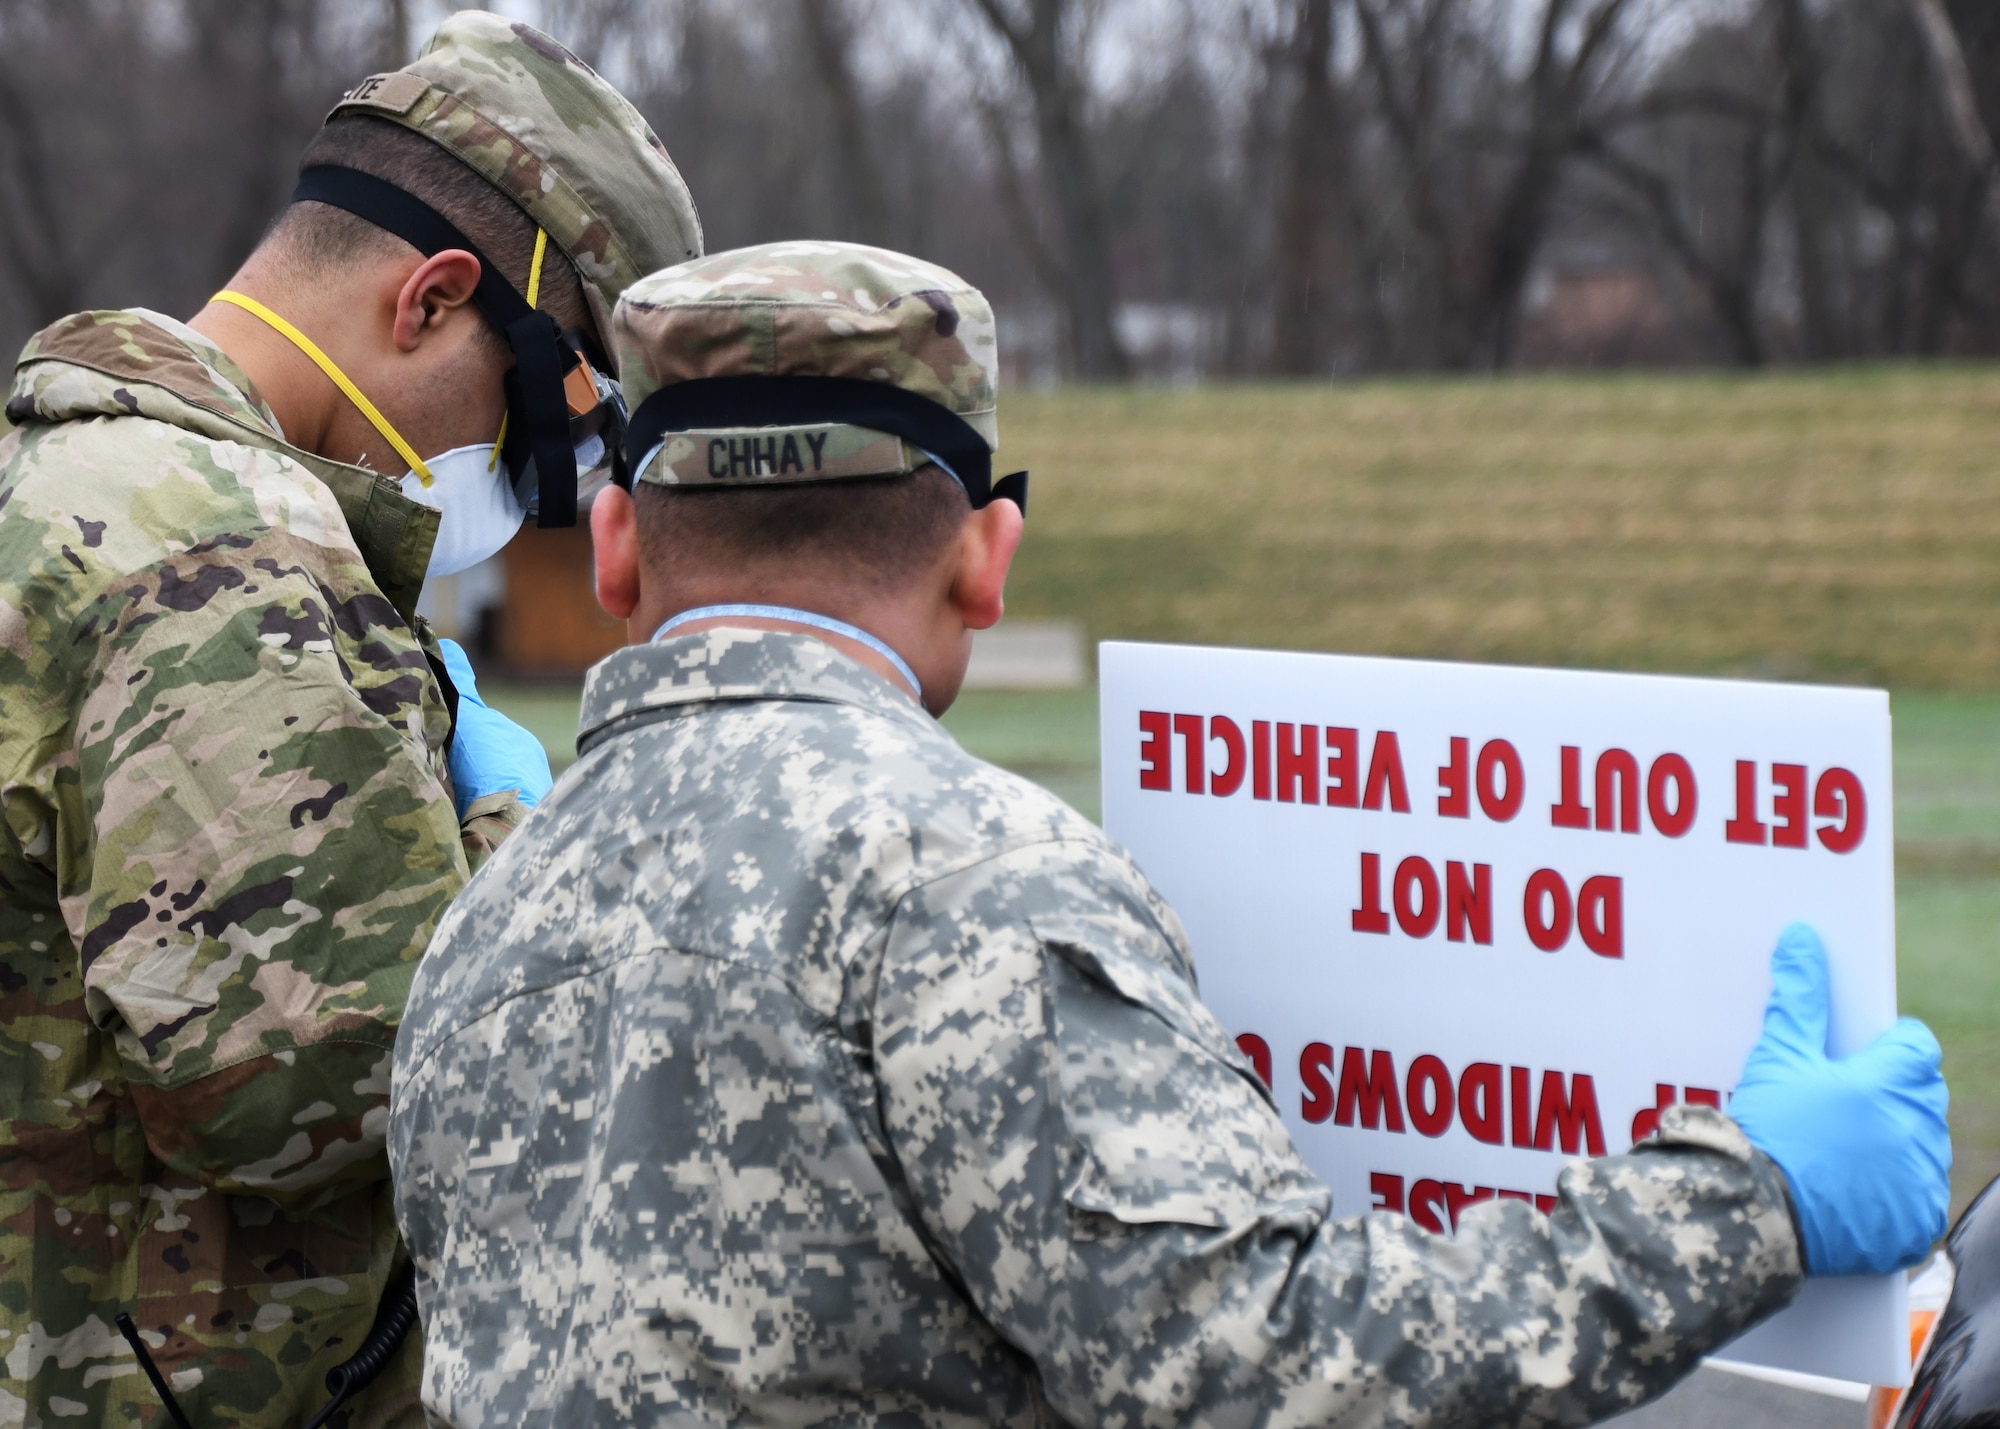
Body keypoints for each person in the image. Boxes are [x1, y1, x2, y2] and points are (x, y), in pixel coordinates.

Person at [389, 241, 1951, 1427]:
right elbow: (1270, 1369)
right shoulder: (969, 882)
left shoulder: (482, 908)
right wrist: (1745, 1196)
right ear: (987, 562)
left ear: (612, 549)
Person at [0, 12, 701, 1427]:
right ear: (433, 298)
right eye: (533, 408)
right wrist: (509, 826)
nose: (523, 473)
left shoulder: (67, 465)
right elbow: (315, 1086)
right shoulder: (210, 546)